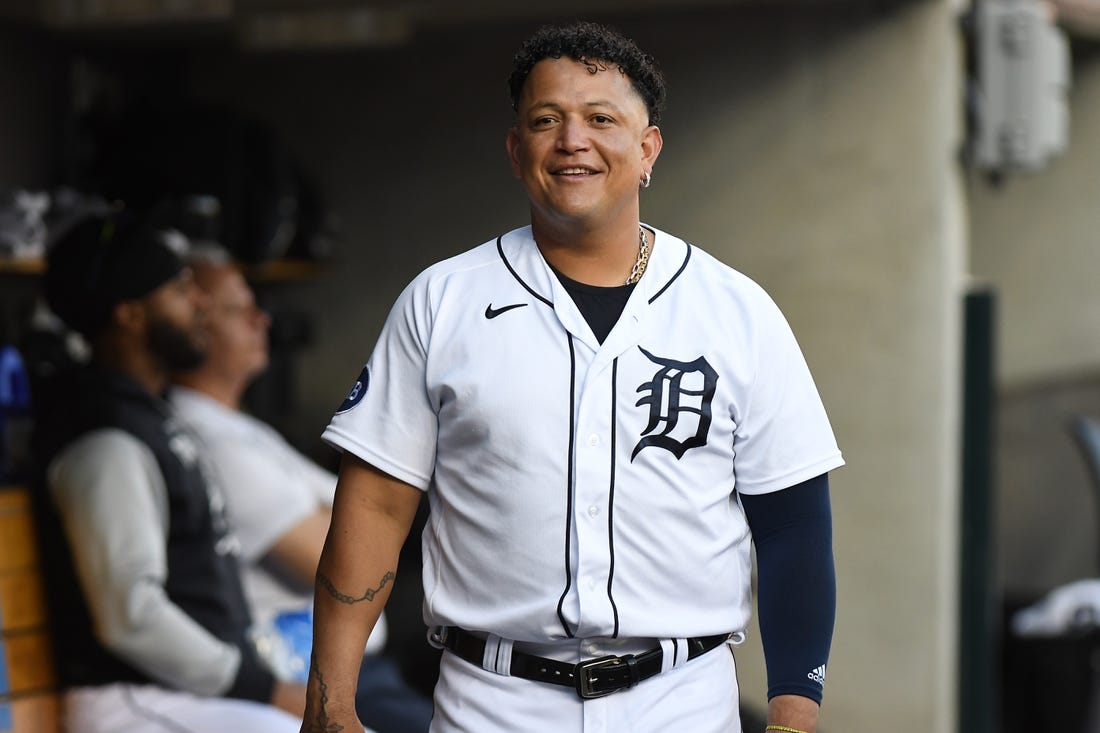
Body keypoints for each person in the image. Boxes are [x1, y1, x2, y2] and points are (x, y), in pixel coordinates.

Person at [303, 20, 843, 733]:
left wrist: (794, 714)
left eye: (601, 119)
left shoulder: (737, 311)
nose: (572, 141)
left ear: (647, 148)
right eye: (546, 120)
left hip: (681, 698)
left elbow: (794, 527)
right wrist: (330, 698)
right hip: (489, 700)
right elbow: (373, 506)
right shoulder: (443, 300)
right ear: (515, 147)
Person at [30, 211, 311, 733]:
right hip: (136, 702)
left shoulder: (145, 414)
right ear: (130, 315)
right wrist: (264, 687)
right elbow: (130, 616)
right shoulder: (103, 433)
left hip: (194, 697)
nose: (198, 303)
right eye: (179, 290)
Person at [168, 247, 434, 733]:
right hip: (312, 682)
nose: (259, 319)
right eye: (236, 308)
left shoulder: (239, 427)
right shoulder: (205, 437)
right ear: (193, 324)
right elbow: (347, 552)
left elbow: (361, 520)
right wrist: (366, 513)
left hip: (364, 667)